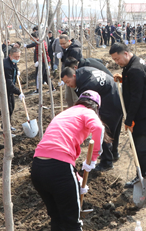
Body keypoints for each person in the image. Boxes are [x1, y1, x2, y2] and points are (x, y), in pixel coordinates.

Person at [31, 91, 105, 231]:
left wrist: (76, 181)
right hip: (59, 169)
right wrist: (93, 158)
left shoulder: (66, 113)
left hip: (38, 168)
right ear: (95, 107)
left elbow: (58, 154)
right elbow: (98, 127)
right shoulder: (87, 112)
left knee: (57, 218)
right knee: (72, 223)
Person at [109, 43, 146, 199]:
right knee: (138, 149)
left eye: (117, 58)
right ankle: (142, 176)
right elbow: (133, 83)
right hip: (142, 112)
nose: (116, 62)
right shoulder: (132, 65)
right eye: (114, 60)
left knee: (145, 150)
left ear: (126, 53)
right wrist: (123, 79)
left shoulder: (135, 69)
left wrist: (129, 119)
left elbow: (136, 96)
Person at [61, 67, 122, 171]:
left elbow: (88, 109)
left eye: (68, 81)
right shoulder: (84, 70)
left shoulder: (86, 87)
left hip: (110, 102)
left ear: (74, 75)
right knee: (114, 128)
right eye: (65, 83)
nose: (68, 85)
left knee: (104, 131)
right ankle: (114, 153)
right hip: (119, 96)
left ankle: (106, 162)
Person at [0, 46, 24, 131]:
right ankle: (6, 127)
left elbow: (14, 66)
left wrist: (17, 70)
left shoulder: (12, 62)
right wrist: (19, 92)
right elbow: (9, 83)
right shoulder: (6, 65)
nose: (17, 58)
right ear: (10, 56)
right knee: (8, 108)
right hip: (2, 88)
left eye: (19, 56)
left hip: (8, 88)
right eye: (15, 57)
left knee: (11, 107)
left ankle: (6, 124)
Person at [59, 34, 83, 107]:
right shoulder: (67, 48)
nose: (62, 45)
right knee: (68, 98)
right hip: (68, 75)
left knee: (75, 98)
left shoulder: (74, 50)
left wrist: (65, 79)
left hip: (74, 77)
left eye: (63, 43)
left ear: (69, 41)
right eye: (60, 44)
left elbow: (72, 65)